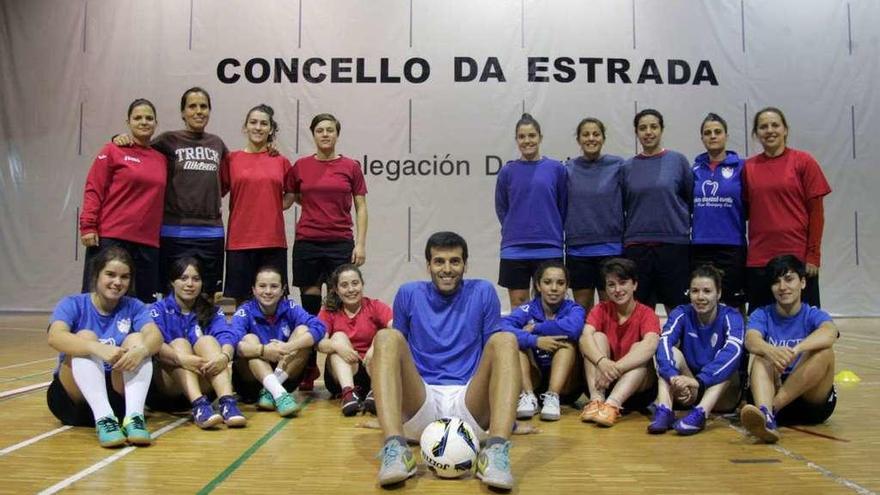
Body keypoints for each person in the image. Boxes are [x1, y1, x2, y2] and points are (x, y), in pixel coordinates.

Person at [371, 232, 520, 489]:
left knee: (505, 340)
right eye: (439, 261)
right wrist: (388, 413)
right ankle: (396, 448)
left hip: (469, 401)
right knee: (386, 338)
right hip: (422, 400)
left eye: (455, 261)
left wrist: (505, 417)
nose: (447, 269)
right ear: (428, 265)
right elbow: (396, 354)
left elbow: (496, 359)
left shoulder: (483, 291)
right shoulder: (408, 293)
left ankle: (495, 452)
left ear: (465, 264)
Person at [114, 87, 230, 297]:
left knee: (207, 294)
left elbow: (228, 180)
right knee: (173, 294)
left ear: (210, 111)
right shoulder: (167, 141)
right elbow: (141, 148)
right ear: (183, 113)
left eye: (203, 106)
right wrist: (119, 138)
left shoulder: (217, 143)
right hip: (174, 232)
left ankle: (204, 331)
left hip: (211, 233)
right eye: (192, 106)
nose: (198, 111)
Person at [46, 247, 163, 447]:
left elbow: (155, 336)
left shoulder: (134, 306)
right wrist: (95, 347)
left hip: (116, 398)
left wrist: (141, 350)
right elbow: (55, 337)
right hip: (74, 400)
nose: (117, 282)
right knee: (85, 337)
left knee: (138, 339)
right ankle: (104, 419)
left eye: (124, 277)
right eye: (110, 274)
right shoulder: (73, 303)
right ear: (96, 275)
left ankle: (134, 418)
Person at [285, 113, 368, 390]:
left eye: (330, 130)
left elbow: (361, 207)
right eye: (320, 130)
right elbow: (293, 197)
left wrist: (361, 243)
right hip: (308, 243)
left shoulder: (350, 167)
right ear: (313, 134)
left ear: (337, 134)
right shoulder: (301, 167)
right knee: (310, 306)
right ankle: (308, 366)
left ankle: (340, 363)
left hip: (340, 242)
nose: (325, 135)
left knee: (335, 304)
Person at [740, 255, 838, 443]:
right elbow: (751, 340)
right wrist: (770, 350)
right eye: (776, 282)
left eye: (789, 279)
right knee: (761, 356)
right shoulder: (762, 314)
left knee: (824, 352)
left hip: (810, 400)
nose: (783, 287)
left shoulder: (813, 314)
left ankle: (771, 411)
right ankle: (766, 414)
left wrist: (797, 349)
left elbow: (830, 332)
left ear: (802, 283)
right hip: (770, 390)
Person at [744, 107, 831, 312]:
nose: (770, 130)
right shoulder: (747, 168)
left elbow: (816, 214)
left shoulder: (804, 162)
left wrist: (813, 255)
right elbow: (746, 211)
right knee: (759, 326)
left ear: (785, 130)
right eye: (763, 126)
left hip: (797, 257)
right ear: (756, 134)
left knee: (806, 324)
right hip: (760, 260)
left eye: (775, 125)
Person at [80, 98, 166, 303]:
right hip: (112, 236)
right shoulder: (113, 150)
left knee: (143, 302)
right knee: (100, 297)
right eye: (137, 118)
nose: (144, 122)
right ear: (128, 122)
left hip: (147, 242)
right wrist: (88, 225)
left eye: (149, 118)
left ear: (156, 123)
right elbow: (94, 188)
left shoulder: (161, 158)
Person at [149, 257, 246, 428]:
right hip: (168, 388)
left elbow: (227, 335)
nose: (190, 284)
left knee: (207, 341)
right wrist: (181, 359)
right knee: (180, 343)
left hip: (205, 381)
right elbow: (154, 345)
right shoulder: (157, 310)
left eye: (196, 279)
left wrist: (224, 356)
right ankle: (199, 406)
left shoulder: (212, 311)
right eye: (183, 278)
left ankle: (227, 403)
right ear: (172, 281)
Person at [649, 265, 744, 435]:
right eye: (695, 291)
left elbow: (734, 351)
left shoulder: (731, 316)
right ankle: (665, 410)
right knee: (670, 354)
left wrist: (700, 382)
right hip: (690, 387)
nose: (700, 297)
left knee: (727, 365)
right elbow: (664, 341)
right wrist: (673, 377)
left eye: (707, 291)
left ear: (719, 293)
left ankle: (700, 414)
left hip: (722, 394)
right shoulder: (681, 313)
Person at [622, 109, 693, 314]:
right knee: (641, 310)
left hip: (673, 246)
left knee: (677, 306)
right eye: (643, 128)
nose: (648, 132)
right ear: (636, 132)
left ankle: (675, 346)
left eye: (653, 127)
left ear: (661, 130)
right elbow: (625, 205)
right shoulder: (627, 167)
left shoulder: (678, 161)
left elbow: (690, 199)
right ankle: (645, 347)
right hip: (637, 247)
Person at [224, 104, 295, 306]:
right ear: (245, 127)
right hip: (239, 241)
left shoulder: (281, 161)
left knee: (275, 301)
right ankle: (232, 335)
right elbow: (218, 190)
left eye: (264, 123)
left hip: (273, 241)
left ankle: (275, 338)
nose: (258, 127)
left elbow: (291, 194)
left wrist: (271, 205)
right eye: (253, 122)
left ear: (271, 129)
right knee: (234, 301)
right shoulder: (231, 159)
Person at [231, 266, 326, 417]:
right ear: (254, 290)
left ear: (283, 290)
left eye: (274, 286)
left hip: (285, 378)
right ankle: (278, 393)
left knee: (302, 331)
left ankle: (273, 391)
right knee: (250, 339)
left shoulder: (290, 307)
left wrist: (288, 346)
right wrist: (263, 351)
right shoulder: (245, 311)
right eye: (262, 286)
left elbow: (320, 327)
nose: (268, 291)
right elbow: (232, 344)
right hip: (250, 383)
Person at [495, 113, 567, 310]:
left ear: (540, 138)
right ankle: (522, 341)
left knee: (550, 306)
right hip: (514, 248)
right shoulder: (507, 172)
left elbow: (563, 205)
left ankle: (550, 341)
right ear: (517, 140)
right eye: (522, 136)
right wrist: (515, 227)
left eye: (532, 135)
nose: (527, 141)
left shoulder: (556, 169)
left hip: (549, 246)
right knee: (519, 306)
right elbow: (502, 208)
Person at [579, 258, 660, 427]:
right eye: (611, 285)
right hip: (600, 385)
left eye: (623, 283)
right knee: (596, 338)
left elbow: (651, 344)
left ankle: (612, 405)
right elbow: (584, 339)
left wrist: (614, 369)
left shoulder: (647, 313)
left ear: (634, 285)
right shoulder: (600, 309)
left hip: (637, 391)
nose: (617, 290)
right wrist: (603, 362)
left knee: (639, 347)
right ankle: (596, 402)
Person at [502, 260, 584, 421]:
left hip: (568, 387)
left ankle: (553, 396)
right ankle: (527, 396)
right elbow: (503, 327)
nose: (554, 288)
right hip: (535, 381)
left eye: (560, 283)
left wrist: (536, 328)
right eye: (547, 282)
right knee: (516, 344)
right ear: (538, 286)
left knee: (566, 343)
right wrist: (534, 341)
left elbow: (573, 328)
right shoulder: (528, 309)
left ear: (567, 287)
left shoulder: (574, 308)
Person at [564, 117, 625, 310]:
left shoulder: (618, 166)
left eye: (596, 134)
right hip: (578, 250)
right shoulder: (567, 169)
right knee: (582, 310)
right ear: (579, 140)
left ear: (603, 138)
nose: (591, 138)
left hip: (611, 249)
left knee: (612, 309)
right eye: (586, 134)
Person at [317, 264, 392, 416]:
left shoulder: (375, 306)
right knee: (338, 337)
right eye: (344, 285)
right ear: (337, 291)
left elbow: (396, 328)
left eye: (355, 283)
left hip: (371, 369)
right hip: (341, 375)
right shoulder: (329, 311)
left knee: (383, 334)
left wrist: (376, 344)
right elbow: (319, 343)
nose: (351, 289)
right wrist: (338, 347)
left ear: (362, 285)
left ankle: (376, 391)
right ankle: (348, 395)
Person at [690, 113, 747, 311]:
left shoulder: (742, 167)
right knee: (702, 301)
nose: (712, 136)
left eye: (717, 132)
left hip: (731, 246)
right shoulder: (694, 169)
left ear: (726, 136)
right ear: (702, 138)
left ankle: (737, 341)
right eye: (707, 133)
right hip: (700, 246)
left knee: (733, 301)